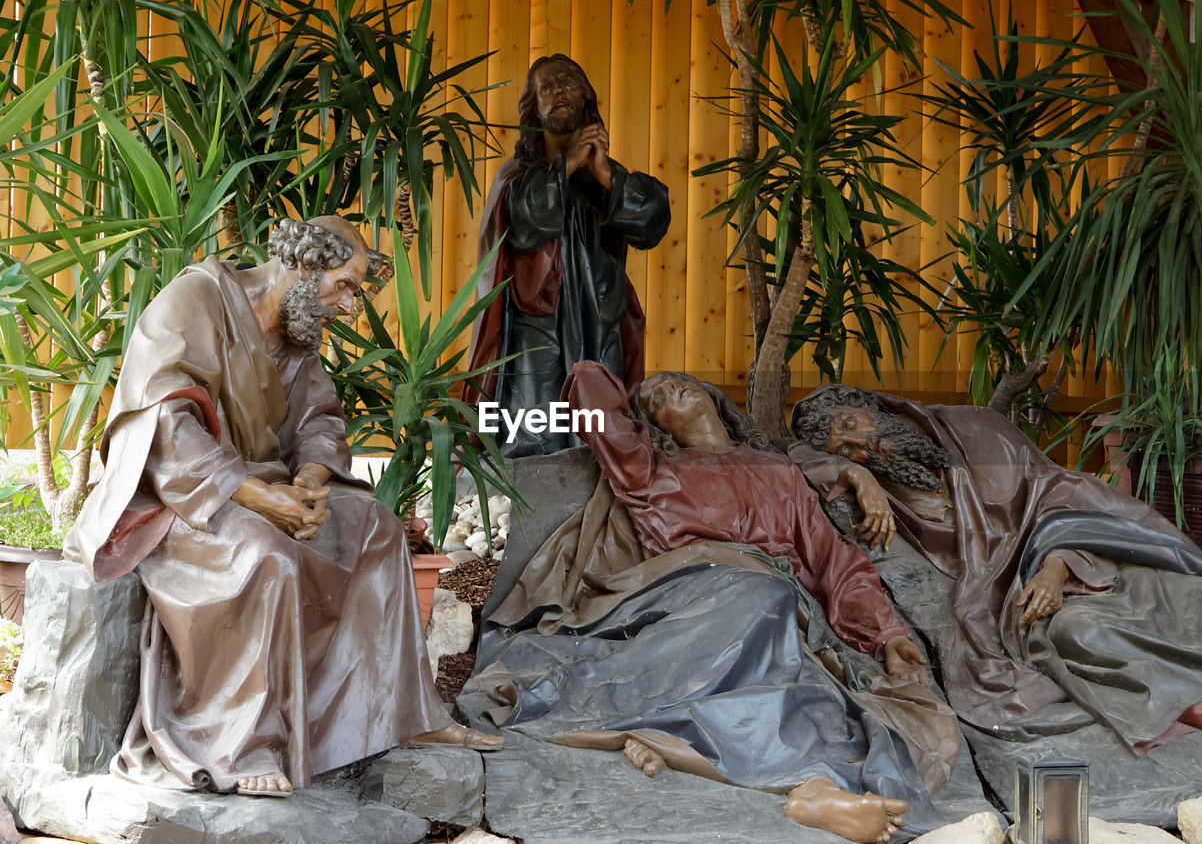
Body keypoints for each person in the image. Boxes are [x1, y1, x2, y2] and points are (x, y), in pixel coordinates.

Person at [63, 216, 500, 798]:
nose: (348, 306)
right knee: (266, 554)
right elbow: (161, 417)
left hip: (264, 491)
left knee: (376, 525)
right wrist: (254, 494)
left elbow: (320, 420)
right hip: (184, 497)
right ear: (304, 264)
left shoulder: (294, 337)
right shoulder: (197, 298)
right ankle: (242, 741)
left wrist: (313, 482)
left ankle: (398, 712)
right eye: (344, 285)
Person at [464, 360, 969, 842]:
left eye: (679, 381)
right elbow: (585, 385)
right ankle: (801, 776)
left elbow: (833, 562)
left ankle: (807, 786)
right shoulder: (648, 471)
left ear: (712, 395)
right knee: (769, 610)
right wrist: (619, 386)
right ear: (650, 424)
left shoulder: (779, 472)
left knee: (801, 673)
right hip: (693, 594)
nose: (671, 391)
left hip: (777, 604)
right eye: (656, 398)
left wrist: (888, 633)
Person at [789, 385, 1202, 755]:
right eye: (846, 448)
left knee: (1195, 600)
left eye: (854, 425)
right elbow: (790, 459)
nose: (863, 446)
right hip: (1011, 590)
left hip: (1088, 553)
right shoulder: (878, 480)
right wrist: (857, 476)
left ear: (870, 405)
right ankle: (1189, 708)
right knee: (1076, 631)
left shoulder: (976, 425)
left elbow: (1059, 494)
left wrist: (1057, 564)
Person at [464, 54, 671, 457]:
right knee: (532, 425)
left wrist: (608, 176)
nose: (558, 90)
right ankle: (529, 512)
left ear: (585, 99)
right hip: (532, 322)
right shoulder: (516, 176)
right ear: (534, 109)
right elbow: (524, 223)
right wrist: (570, 162)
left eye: (567, 83)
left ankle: (599, 508)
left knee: (600, 424)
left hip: (599, 320)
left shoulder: (606, 177)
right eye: (546, 87)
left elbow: (652, 220)